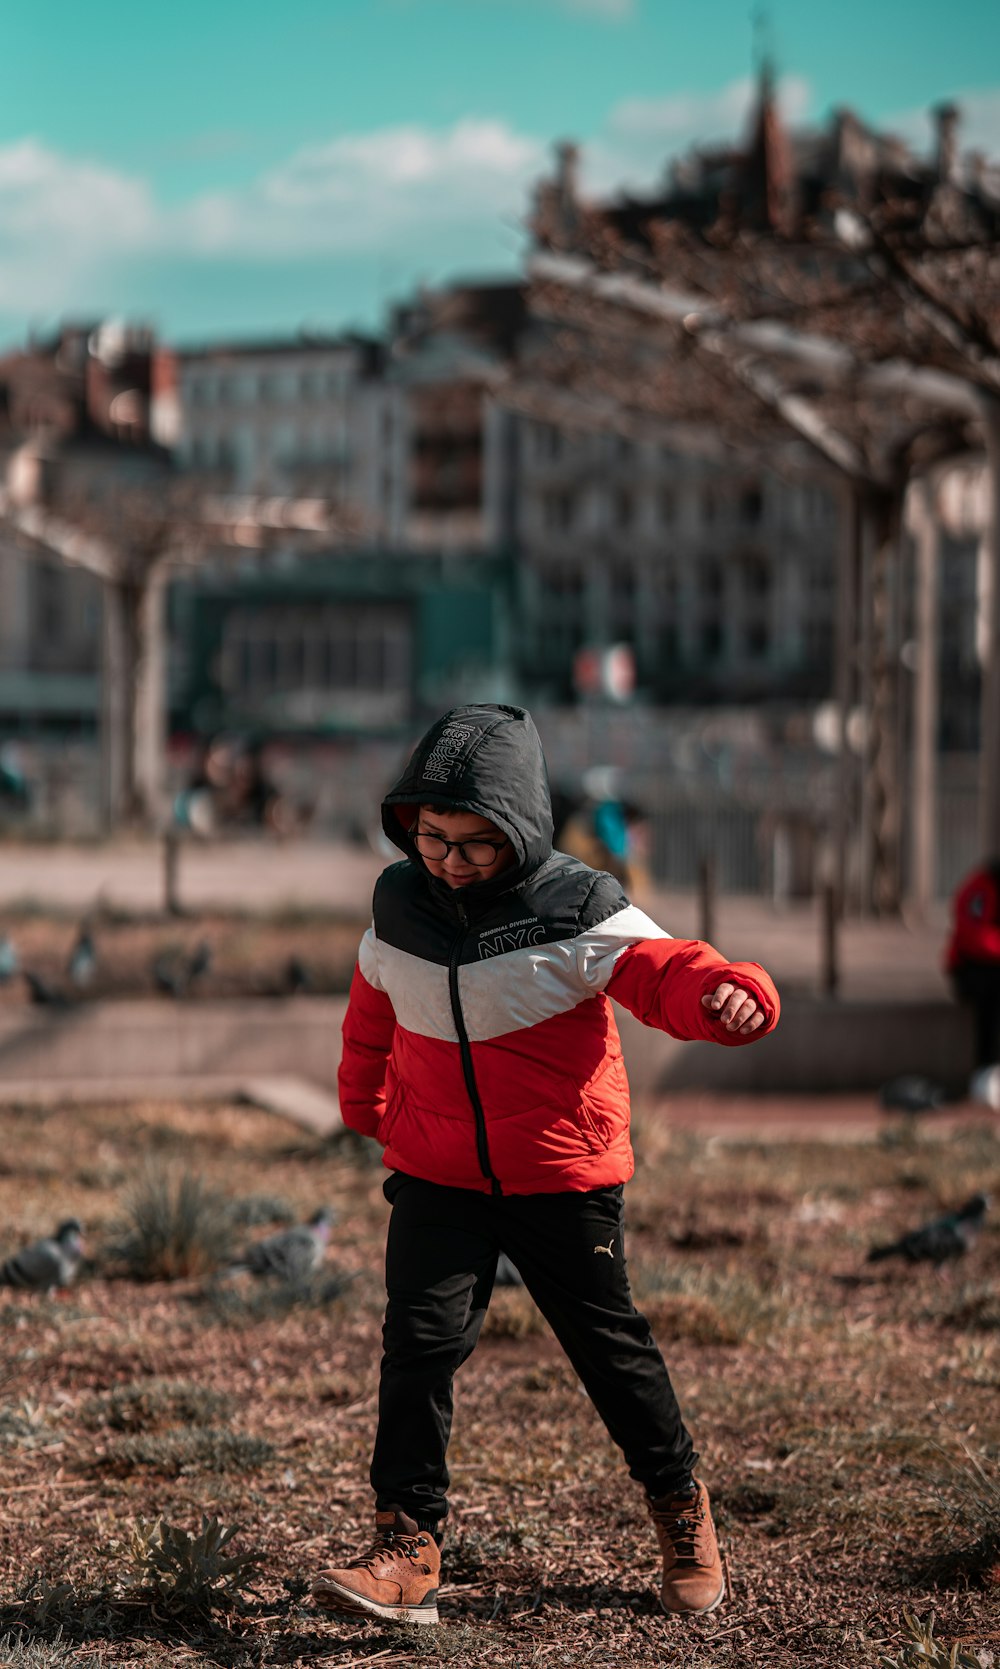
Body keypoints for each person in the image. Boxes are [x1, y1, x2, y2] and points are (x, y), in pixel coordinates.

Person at [312, 704, 780, 1627]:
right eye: (431, 836)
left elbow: (664, 970)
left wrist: (731, 991)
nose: (448, 860)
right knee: (418, 1344)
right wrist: (365, 1103)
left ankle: (680, 1505)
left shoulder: (576, 904)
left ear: (520, 831)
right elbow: (374, 1006)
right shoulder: (397, 902)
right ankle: (407, 1542)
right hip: (437, 1169)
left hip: (561, 1173)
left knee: (611, 1353)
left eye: (475, 844)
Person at [946, 857, 1000, 1071]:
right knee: (993, 992)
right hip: (971, 969)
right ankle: (987, 1068)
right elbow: (973, 938)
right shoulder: (980, 887)